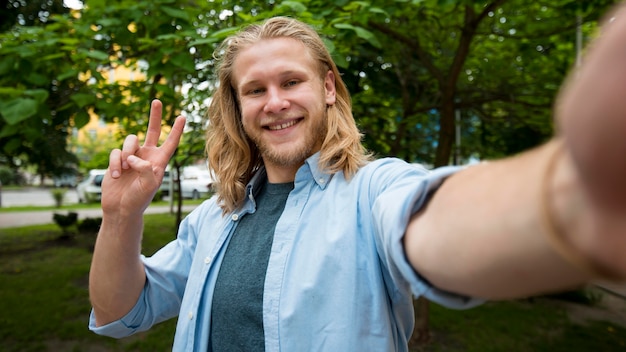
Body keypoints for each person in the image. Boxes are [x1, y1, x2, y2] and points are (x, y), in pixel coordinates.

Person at [89, 4, 626, 351]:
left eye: (291, 81)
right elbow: (119, 313)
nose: (275, 102)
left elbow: (434, 221)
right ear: (237, 106)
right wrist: (120, 214)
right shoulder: (214, 219)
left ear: (328, 88)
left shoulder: (373, 192)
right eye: (255, 89)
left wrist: (569, 199)